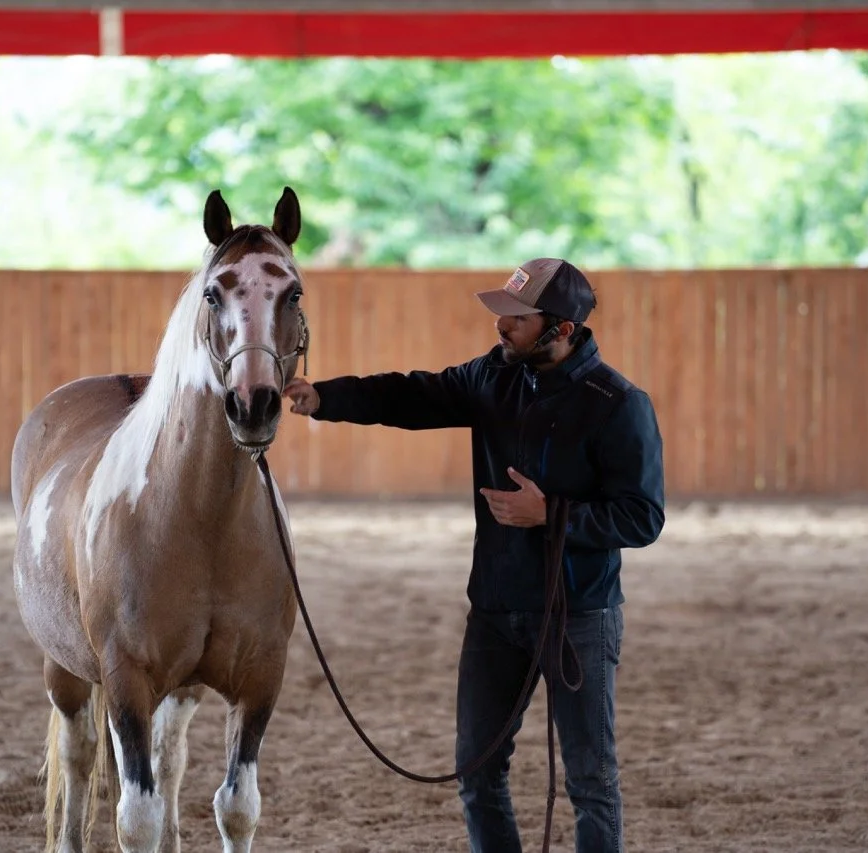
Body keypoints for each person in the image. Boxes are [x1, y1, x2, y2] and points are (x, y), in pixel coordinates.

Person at [283, 257, 665, 853]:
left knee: (591, 781)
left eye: (517, 317)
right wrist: (326, 397)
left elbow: (643, 518)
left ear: (561, 328)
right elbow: (414, 394)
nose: (501, 327)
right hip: (494, 611)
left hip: (578, 618)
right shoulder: (494, 376)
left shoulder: (618, 404)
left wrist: (551, 513)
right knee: (477, 771)